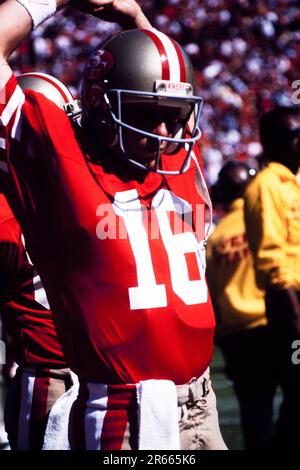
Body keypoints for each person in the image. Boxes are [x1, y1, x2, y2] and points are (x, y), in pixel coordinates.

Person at [0, 0, 226, 450]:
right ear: (99, 107)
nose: (165, 129)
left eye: (176, 113)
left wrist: (133, 20)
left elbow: (165, 78)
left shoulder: (174, 156)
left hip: (202, 404)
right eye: (146, 113)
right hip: (125, 413)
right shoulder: (63, 168)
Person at [206, 160, 278, 449]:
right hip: (273, 324)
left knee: (254, 414)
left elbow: (212, 290)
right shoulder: (265, 218)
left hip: (236, 336)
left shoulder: (215, 239)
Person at [244, 106, 300, 449]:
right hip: (290, 303)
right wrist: (295, 314)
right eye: (295, 134)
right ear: (277, 142)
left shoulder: (291, 185)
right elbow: (272, 256)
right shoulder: (266, 185)